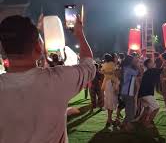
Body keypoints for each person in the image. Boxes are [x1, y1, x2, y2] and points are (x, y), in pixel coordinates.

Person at [0, 15, 95, 143]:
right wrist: (79, 34)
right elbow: (89, 66)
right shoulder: (58, 79)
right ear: (38, 48)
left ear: (4, 50)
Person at [120, 55, 141, 130]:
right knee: (130, 109)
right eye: (133, 60)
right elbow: (139, 73)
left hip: (125, 91)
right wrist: (138, 64)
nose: (134, 61)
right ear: (130, 61)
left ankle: (124, 123)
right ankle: (128, 125)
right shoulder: (129, 69)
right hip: (128, 92)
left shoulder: (125, 68)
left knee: (128, 108)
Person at [101, 53, 120, 126]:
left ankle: (109, 118)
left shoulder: (105, 64)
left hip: (107, 83)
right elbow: (115, 73)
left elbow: (102, 71)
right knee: (111, 100)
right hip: (112, 83)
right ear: (113, 58)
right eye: (116, 57)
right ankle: (109, 118)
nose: (117, 58)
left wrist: (107, 73)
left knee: (109, 100)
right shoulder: (112, 64)